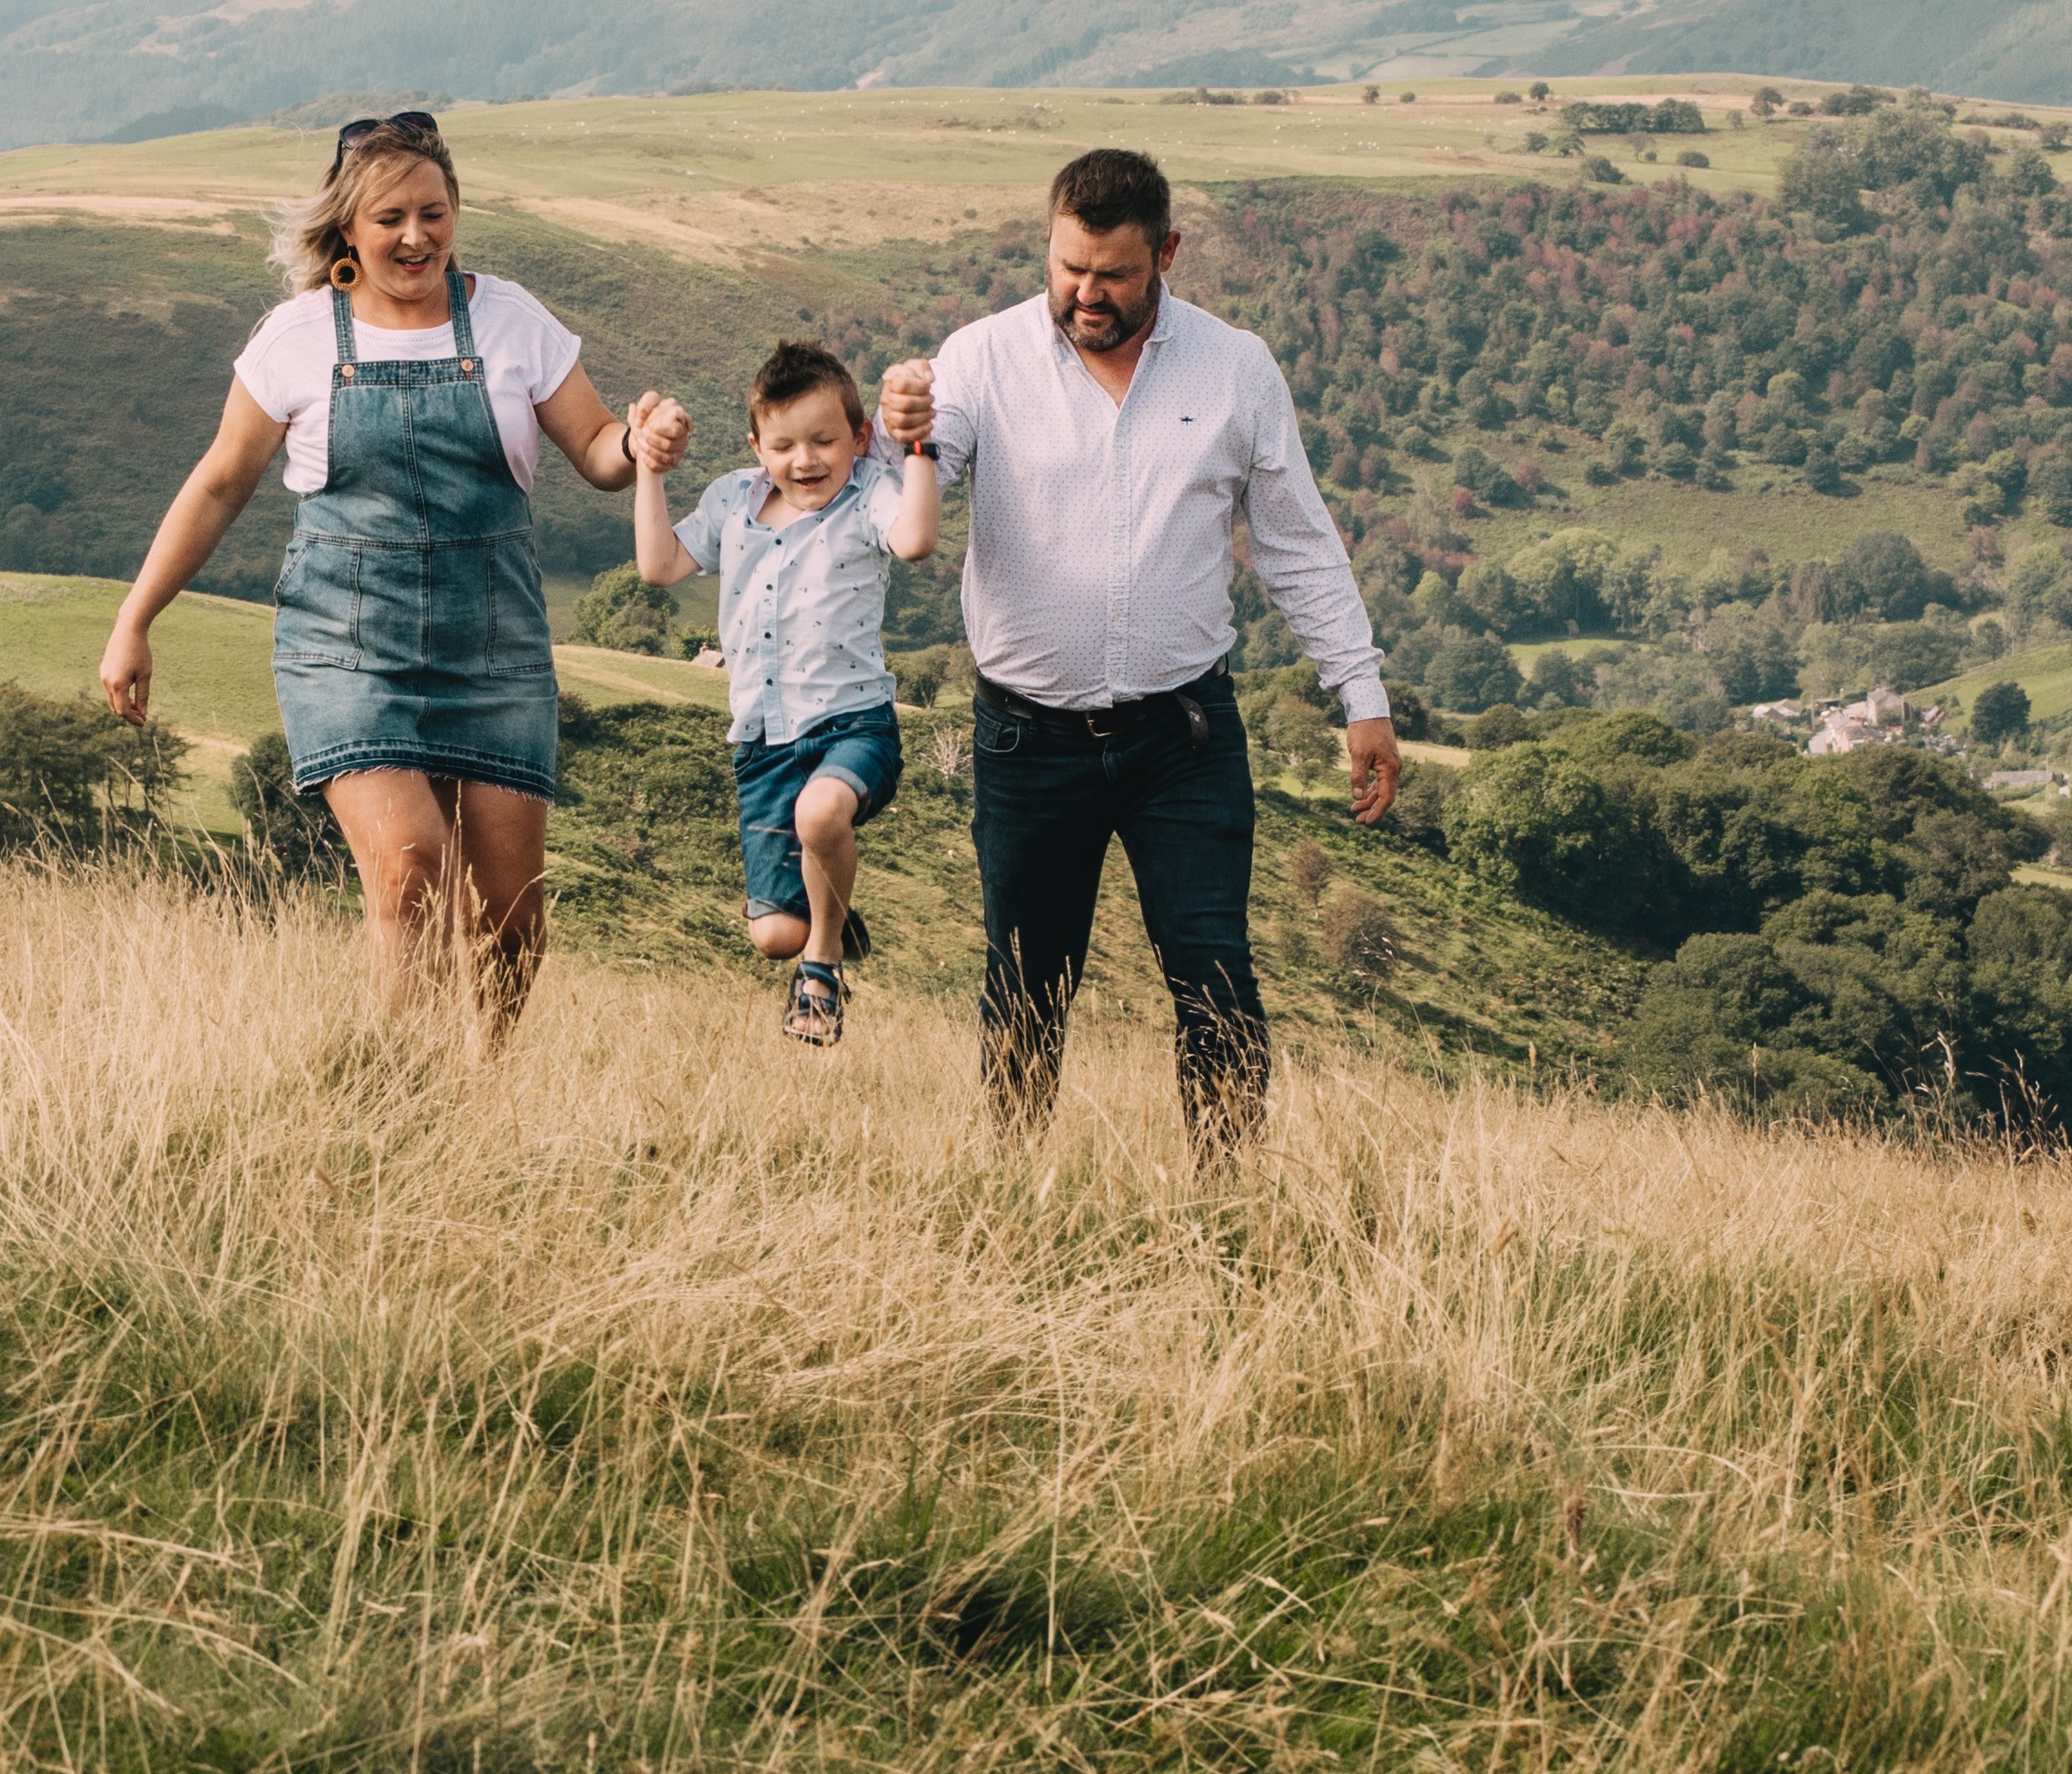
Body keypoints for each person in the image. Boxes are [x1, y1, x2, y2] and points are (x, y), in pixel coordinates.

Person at [99, 111, 679, 1040]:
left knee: (510, 916)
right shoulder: (293, 337)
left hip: (495, 647)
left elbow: (598, 449)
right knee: (411, 863)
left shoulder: (509, 320)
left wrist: (642, 444)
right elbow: (216, 485)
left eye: (434, 213)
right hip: (345, 647)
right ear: (347, 229)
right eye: (390, 218)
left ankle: (479, 1094)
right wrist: (136, 619)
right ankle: (395, 1090)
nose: (417, 237)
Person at [876, 144, 1396, 1158]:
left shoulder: (1236, 365)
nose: (1085, 293)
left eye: (1113, 273)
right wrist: (909, 431)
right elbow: (936, 454)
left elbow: (1298, 541)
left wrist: (1361, 692)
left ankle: (1229, 1191)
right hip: (1027, 738)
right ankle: (1011, 1183)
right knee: (1026, 978)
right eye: (1068, 267)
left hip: (1184, 735)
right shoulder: (982, 357)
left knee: (1215, 973)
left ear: (1168, 250)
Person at [627, 337, 939, 1046]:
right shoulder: (732, 500)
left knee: (822, 811)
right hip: (763, 741)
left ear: (860, 438)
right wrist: (648, 468)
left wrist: (918, 447)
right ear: (756, 447)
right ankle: (825, 921)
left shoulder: (868, 498)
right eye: (784, 445)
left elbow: (917, 539)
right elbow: (660, 566)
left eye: (826, 441)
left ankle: (822, 971)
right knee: (773, 934)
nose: (805, 461)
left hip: (852, 725)